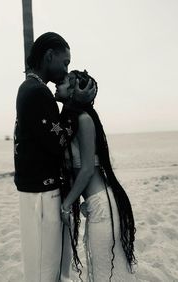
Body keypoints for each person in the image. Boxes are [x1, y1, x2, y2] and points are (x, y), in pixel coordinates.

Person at [13, 33, 96, 282]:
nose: (66, 68)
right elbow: (57, 143)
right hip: (41, 194)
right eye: (65, 62)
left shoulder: (30, 88)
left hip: (36, 190)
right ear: (49, 57)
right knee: (43, 270)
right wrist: (74, 105)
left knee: (46, 267)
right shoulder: (38, 92)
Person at [55, 70, 137, 281]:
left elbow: (87, 169)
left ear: (74, 90)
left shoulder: (84, 119)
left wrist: (67, 204)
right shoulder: (72, 120)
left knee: (103, 272)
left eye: (64, 82)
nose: (58, 84)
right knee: (99, 270)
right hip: (96, 204)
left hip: (102, 205)